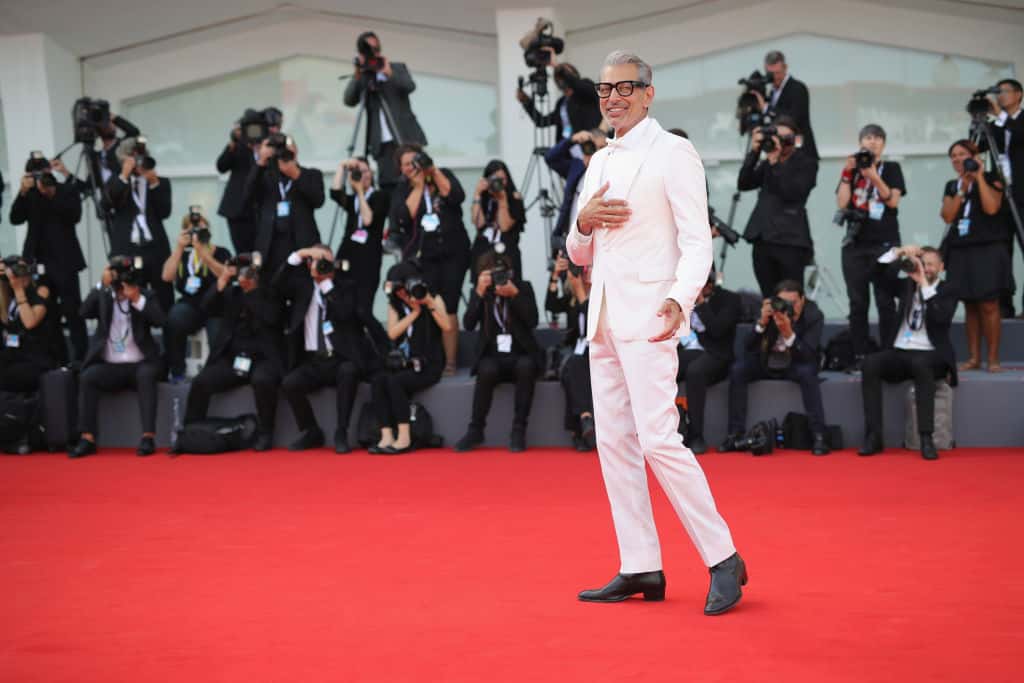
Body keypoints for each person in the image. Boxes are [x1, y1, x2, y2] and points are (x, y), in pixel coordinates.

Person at [566, 50, 745, 615]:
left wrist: (678, 297)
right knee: (613, 442)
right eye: (604, 88)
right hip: (603, 319)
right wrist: (583, 221)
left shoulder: (674, 153)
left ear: (648, 92)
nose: (612, 97)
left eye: (624, 87)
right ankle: (640, 563)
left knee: (660, 439)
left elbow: (698, 240)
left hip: (651, 315)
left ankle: (723, 559)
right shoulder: (598, 162)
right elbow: (577, 252)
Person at [274, 245, 387, 454]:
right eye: (317, 260)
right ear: (309, 264)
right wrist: (298, 255)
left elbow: (345, 314)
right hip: (312, 360)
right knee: (290, 383)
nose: (322, 265)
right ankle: (311, 431)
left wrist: (326, 284)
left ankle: (341, 431)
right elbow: (277, 286)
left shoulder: (346, 286)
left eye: (326, 261)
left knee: (348, 371)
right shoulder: (301, 287)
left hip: (340, 357)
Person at [859, 246, 957, 461]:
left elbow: (941, 318)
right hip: (902, 350)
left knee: (922, 364)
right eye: (923, 263)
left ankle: (926, 438)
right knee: (871, 363)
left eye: (931, 264)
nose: (926, 268)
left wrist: (923, 284)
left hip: (932, 354)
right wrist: (897, 253)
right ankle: (874, 436)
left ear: (941, 267)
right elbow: (873, 275)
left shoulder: (948, 289)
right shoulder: (906, 285)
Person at [183, 254, 284, 451]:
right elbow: (206, 307)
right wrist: (222, 280)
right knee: (201, 381)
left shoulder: (270, 293)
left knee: (263, 381)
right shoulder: (231, 293)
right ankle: (191, 430)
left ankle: (266, 432)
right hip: (232, 358)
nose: (243, 275)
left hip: (263, 358)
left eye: (247, 271)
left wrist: (251, 292)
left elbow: (272, 318)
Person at [70, 259, 167, 458]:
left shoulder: (145, 295)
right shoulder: (104, 295)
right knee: (88, 376)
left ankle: (147, 437)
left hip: (140, 364)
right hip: (110, 365)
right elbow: (83, 312)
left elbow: (160, 320)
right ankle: (87, 437)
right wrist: (100, 285)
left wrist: (137, 299)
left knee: (147, 376)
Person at [720, 280, 829, 455]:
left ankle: (819, 435)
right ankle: (735, 434)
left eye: (793, 303)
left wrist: (788, 334)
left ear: (803, 300)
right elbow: (747, 346)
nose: (788, 307)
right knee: (738, 370)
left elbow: (808, 355)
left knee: (808, 374)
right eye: (783, 302)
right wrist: (762, 323)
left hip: (796, 362)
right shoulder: (772, 310)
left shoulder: (814, 315)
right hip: (768, 361)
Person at [389, 145, 470, 375]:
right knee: (429, 305)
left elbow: (455, 196)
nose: (410, 167)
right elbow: (403, 217)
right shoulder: (402, 189)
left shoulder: (440, 174)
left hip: (453, 253)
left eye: (413, 161)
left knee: (450, 304)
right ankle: (431, 358)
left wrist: (431, 172)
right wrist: (418, 187)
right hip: (424, 258)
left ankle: (451, 363)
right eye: (405, 164)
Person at [454, 249, 540, 453]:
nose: (497, 279)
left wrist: (515, 295)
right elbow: (467, 324)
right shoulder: (483, 293)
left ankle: (519, 429)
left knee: (526, 366)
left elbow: (533, 320)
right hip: (492, 355)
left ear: (510, 273)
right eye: (491, 275)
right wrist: (478, 292)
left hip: (520, 353)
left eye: (501, 273)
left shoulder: (523, 288)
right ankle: (475, 430)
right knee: (486, 369)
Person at [835, 124, 906, 363]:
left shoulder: (892, 168)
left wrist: (873, 176)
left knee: (885, 301)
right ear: (860, 142)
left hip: (884, 243)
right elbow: (843, 204)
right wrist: (846, 173)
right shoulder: (852, 171)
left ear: (883, 144)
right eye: (868, 137)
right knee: (857, 303)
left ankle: (889, 352)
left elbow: (892, 201)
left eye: (877, 138)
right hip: (855, 245)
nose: (872, 142)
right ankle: (860, 353)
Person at [940, 139, 1011, 372]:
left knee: (989, 304)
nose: (957, 159)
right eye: (953, 156)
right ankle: (973, 358)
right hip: (961, 249)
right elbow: (948, 216)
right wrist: (962, 187)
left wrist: (978, 177)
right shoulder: (952, 185)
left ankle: (993, 358)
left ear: (974, 156)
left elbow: (992, 207)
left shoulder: (992, 178)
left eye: (962, 154)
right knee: (969, 304)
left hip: (987, 248)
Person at [8, 154, 88, 361]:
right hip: (38, 261)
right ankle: (55, 358)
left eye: (43, 173)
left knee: (72, 311)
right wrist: (23, 192)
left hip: (65, 261)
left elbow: (74, 216)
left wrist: (51, 193)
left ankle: (80, 358)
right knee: (45, 312)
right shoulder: (30, 195)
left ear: (49, 172)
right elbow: (15, 218)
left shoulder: (65, 190)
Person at [370, 260, 450, 454]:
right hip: (405, 362)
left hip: (429, 364)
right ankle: (387, 435)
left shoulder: (431, 297)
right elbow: (392, 333)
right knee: (379, 380)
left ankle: (404, 437)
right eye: (396, 292)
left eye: (402, 290)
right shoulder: (395, 305)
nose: (400, 295)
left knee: (395, 382)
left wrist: (428, 304)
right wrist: (413, 314)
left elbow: (447, 326)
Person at [738, 115, 818, 296]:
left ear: (796, 140)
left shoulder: (806, 163)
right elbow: (744, 183)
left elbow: (793, 193)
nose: (781, 143)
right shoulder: (768, 162)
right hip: (763, 238)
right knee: (768, 297)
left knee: (790, 297)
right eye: (777, 137)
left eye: (786, 138)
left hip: (790, 241)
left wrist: (775, 164)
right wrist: (755, 152)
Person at [343, 31, 428, 192]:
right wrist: (358, 74)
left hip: (406, 138)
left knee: (415, 182)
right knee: (390, 189)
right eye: (368, 50)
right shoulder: (363, 75)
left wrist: (388, 72)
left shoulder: (397, 68)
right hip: (382, 145)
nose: (373, 53)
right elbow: (349, 100)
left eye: (376, 48)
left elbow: (410, 86)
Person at [677, 269, 742, 455]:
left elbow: (718, 330)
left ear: (710, 284)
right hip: (687, 351)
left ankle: (696, 435)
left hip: (717, 355)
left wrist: (701, 303)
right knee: (660, 367)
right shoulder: (678, 300)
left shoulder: (730, 299)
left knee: (695, 371)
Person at [160, 211, 231, 382]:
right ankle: (177, 371)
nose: (197, 234)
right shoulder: (183, 255)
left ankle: (214, 375)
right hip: (190, 305)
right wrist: (179, 248)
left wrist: (204, 254)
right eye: (193, 231)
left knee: (219, 337)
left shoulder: (221, 252)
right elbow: (166, 276)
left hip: (216, 305)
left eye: (201, 229)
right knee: (173, 320)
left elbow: (226, 275)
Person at [104, 149, 175, 314]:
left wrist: (154, 183)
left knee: (164, 297)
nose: (139, 164)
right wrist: (124, 175)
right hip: (127, 249)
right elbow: (106, 206)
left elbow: (165, 212)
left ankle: (169, 337)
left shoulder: (160, 182)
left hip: (155, 248)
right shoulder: (116, 182)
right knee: (131, 296)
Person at [244, 135, 325, 276]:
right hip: (270, 248)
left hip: (302, 246)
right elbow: (247, 196)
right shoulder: (266, 176)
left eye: (288, 147)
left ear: (296, 150)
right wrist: (262, 160)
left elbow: (318, 200)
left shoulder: (311, 174)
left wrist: (295, 174)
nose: (283, 152)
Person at [547, 254, 596, 452]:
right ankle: (585, 420)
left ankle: (578, 430)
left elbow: (593, 326)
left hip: (601, 351)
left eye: (586, 269)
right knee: (573, 368)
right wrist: (555, 275)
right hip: (578, 354)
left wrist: (582, 292)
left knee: (575, 368)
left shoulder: (603, 295)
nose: (582, 275)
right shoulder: (572, 299)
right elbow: (550, 305)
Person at [216, 107, 283, 254]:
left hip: (264, 210)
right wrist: (233, 142)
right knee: (244, 255)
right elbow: (221, 166)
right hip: (238, 210)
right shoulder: (239, 145)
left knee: (265, 254)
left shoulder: (272, 147)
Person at [330, 157, 389, 316]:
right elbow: (335, 192)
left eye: (365, 171)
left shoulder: (380, 197)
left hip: (368, 258)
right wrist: (342, 165)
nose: (363, 175)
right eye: (358, 172)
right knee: (342, 302)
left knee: (363, 308)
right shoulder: (352, 200)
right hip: (347, 255)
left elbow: (368, 219)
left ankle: (375, 340)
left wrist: (361, 192)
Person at [985, 78, 1024, 314]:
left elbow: (1018, 134)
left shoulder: (1015, 121)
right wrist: (979, 123)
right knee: (1001, 252)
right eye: (997, 93)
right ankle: (1004, 305)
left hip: (1022, 197)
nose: (1000, 96)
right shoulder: (997, 125)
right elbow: (977, 147)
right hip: (1001, 197)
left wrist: (999, 115)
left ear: (1018, 94)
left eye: (1004, 92)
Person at [0, 256, 57, 392]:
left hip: (36, 359)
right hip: (13, 355)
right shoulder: (7, 296)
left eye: (23, 270)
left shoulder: (41, 291)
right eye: (16, 271)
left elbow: (29, 322)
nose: (21, 275)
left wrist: (19, 290)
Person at [516, 57, 603, 143]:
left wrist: (557, 66)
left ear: (574, 75)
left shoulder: (586, 88)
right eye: (558, 75)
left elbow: (577, 84)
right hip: (569, 153)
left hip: (590, 147)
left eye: (564, 73)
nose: (561, 77)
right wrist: (526, 102)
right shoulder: (561, 102)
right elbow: (541, 121)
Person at [469, 160, 526, 281]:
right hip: (483, 252)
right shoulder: (484, 198)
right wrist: (477, 193)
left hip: (507, 254)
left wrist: (502, 200)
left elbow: (505, 226)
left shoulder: (515, 198)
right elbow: (478, 223)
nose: (498, 183)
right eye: (494, 179)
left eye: (502, 179)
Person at [546, 128, 607, 239]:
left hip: (598, 240)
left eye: (602, 148)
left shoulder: (613, 172)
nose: (597, 153)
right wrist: (572, 140)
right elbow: (550, 158)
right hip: (570, 239)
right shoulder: (576, 167)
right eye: (592, 148)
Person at [756, 51, 817, 160]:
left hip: (801, 154)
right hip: (780, 156)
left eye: (777, 73)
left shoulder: (798, 88)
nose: (775, 77)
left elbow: (793, 119)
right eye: (771, 74)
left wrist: (766, 108)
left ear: (785, 68)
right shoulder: (771, 92)